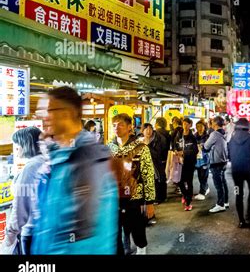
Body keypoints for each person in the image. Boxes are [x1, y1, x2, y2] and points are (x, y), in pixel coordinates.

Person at [31, 86, 118, 254]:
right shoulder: (57, 157)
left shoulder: (87, 160)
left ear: (67, 113)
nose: (42, 117)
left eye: (47, 111)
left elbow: (86, 237)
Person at [108, 113, 155, 255]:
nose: (117, 128)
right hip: (114, 199)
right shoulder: (108, 148)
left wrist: (150, 202)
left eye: (121, 124)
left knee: (138, 231)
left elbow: (148, 175)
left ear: (130, 127)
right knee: (114, 235)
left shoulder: (141, 148)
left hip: (135, 197)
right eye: (114, 125)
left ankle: (141, 250)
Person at [0, 127, 44, 255]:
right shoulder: (45, 161)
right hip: (44, 230)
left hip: (31, 232)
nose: (16, 148)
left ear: (26, 145)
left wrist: (9, 237)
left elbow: (20, 208)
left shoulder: (30, 168)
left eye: (17, 144)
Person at [227, 118, 250, 228]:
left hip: (236, 171)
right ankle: (249, 216)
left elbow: (229, 156)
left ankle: (241, 220)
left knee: (238, 193)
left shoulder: (232, 138)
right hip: (249, 170)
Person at [141, 123, 167, 221]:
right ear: (142, 131)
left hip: (156, 164)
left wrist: (148, 146)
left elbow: (158, 154)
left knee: (157, 180)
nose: (148, 131)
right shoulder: (139, 140)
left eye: (150, 129)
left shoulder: (157, 139)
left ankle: (158, 198)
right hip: (144, 165)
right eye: (146, 129)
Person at [204, 116, 229, 213]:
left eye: (212, 122)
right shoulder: (224, 133)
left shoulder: (214, 134)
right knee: (223, 182)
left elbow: (206, 146)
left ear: (215, 123)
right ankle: (225, 201)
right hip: (223, 160)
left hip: (216, 161)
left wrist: (204, 147)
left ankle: (220, 204)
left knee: (218, 184)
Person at [174, 118, 199, 211]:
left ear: (190, 125)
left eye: (187, 124)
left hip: (190, 162)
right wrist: (176, 151)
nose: (185, 125)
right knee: (179, 181)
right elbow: (175, 146)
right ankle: (185, 195)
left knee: (189, 181)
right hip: (179, 163)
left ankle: (188, 202)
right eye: (183, 123)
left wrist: (184, 152)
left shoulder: (192, 137)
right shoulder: (178, 135)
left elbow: (195, 150)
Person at [154, 118, 171, 203]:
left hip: (158, 158)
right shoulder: (168, 133)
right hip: (166, 157)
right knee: (163, 177)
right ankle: (163, 196)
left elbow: (160, 147)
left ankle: (158, 197)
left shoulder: (157, 133)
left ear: (157, 124)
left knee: (157, 178)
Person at [194, 120, 210, 200]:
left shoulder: (207, 136)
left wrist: (202, 147)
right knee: (200, 176)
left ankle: (202, 192)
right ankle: (206, 188)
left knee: (204, 176)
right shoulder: (194, 135)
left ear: (204, 127)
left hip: (205, 158)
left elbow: (209, 147)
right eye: (197, 126)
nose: (199, 128)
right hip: (197, 159)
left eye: (201, 126)